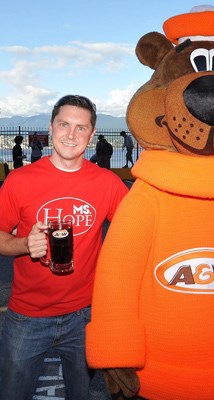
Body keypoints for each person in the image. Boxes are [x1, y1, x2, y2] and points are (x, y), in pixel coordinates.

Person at [0, 94, 128, 400]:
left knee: (81, 394)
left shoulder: (107, 183)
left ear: (92, 134)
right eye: (64, 125)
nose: (71, 135)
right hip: (27, 317)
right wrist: (22, 244)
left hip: (84, 315)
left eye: (80, 128)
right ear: (50, 127)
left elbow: (139, 228)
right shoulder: (20, 180)